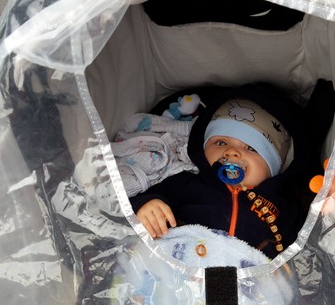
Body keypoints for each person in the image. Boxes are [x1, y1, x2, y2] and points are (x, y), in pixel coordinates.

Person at [130, 83, 311, 258]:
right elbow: (131, 205)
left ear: (274, 169)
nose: (232, 152)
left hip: (250, 275)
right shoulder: (184, 184)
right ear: (204, 150)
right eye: (221, 143)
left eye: (251, 148)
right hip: (180, 267)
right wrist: (145, 206)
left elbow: (304, 251)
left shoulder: (284, 207)